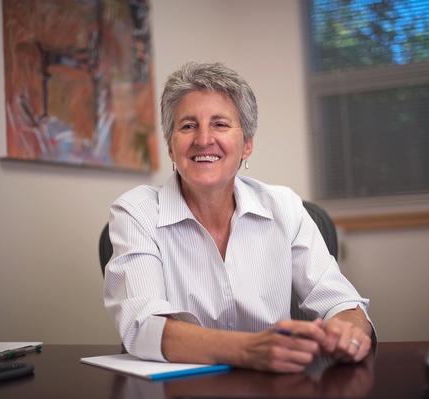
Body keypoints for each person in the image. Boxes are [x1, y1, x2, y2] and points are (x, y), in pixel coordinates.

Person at [104, 61, 374, 373]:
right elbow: (142, 327)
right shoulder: (136, 212)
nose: (203, 139)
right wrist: (249, 349)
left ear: (246, 145)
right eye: (188, 126)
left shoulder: (283, 206)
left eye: (220, 124)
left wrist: (348, 332)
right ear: (170, 147)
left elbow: (341, 302)